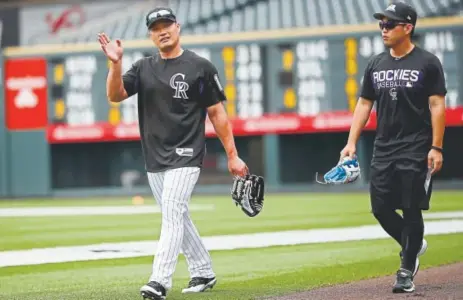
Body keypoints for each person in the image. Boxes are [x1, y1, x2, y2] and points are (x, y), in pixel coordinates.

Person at [98, 6, 249, 300]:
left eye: (166, 25)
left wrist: (233, 155)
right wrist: (115, 64)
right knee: (176, 213)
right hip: (155, 156)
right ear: (151, 35)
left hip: (187, 153)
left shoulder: (200, 67)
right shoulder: (143, 68)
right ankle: (203, 270)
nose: (162, 31)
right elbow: (114, 96)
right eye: (155, 28)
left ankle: (159, 281)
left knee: (171, 213)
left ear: (178, 27)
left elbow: (217, 113)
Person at [340, 1, 446, 294]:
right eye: (381, 24)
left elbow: (437, 106)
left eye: (390, 24)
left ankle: (406, 268)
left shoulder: (427, 62)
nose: (383, 29)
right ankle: (413, 243)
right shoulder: (376, 63)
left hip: (416, 145)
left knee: (411, 207)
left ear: (407, 27)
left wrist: (436, 147)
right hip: (384, 146)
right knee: (380, 208)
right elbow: (364, 104)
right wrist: (350, 143)